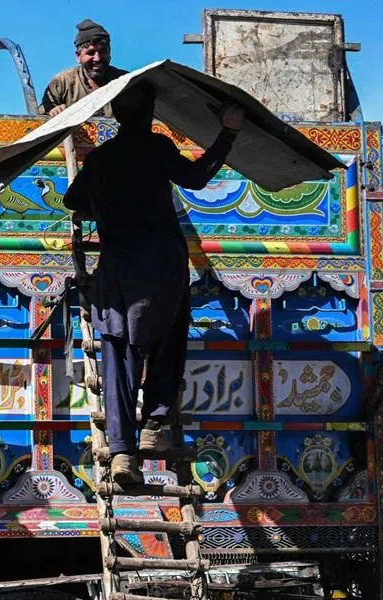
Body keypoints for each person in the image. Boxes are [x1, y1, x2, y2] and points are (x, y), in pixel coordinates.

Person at [63, 83, 245, 484]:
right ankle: (153, 426)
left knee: (118, 361)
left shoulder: (102, 158)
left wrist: (108, 207)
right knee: (167, 347)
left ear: (116, 115)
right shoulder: (158, 148)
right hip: (163, 270)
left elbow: (72, 200)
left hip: (118, 272)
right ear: (150, 115)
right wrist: (228, 132)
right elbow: (196, 177)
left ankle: (122, 453)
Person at [39, 19, 128, 117]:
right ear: (78, 56)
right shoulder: (62, 82)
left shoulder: (125, 81)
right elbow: (40, 117)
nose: (97, 58)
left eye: (103, 51)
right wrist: (53, 111)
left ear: (109, 53)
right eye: (91, 53)